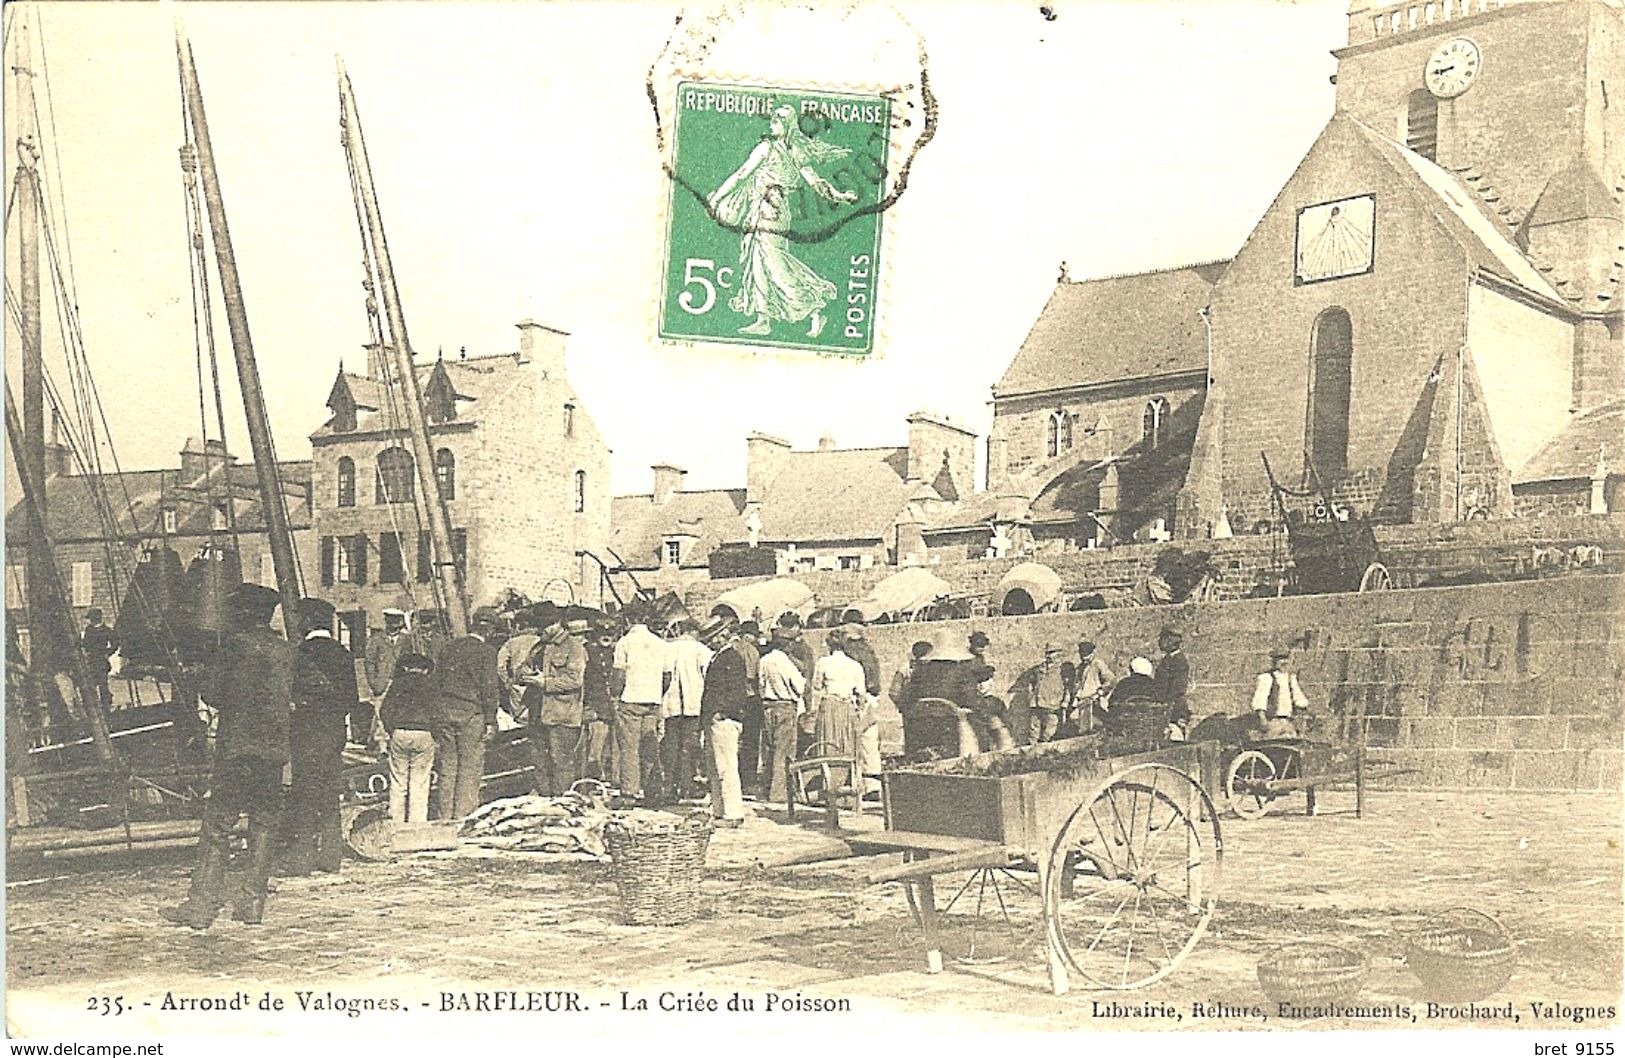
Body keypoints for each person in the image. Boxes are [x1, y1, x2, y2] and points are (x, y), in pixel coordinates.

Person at [162, 585, 292, 929]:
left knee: (217, 827)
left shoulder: (234, 647)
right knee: (263, 826)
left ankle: (201, 909)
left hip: (237, 752)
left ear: (245, 614)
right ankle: (251, 906)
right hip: (274, 753)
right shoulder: (285, 650)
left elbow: (213, 693)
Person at [706, 104, 860, 339]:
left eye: (778, 120)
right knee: (759, 263)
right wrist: (838, 196)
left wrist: (716, 197)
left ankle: (815, 308)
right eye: (773, 119)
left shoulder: (768, 149)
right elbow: (814, 181)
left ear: (788, 125)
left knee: (776, 267)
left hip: (770, 214)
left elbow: (742, 175)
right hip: (769, 212)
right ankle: (763, 319)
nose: (773, 123)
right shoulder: (790, 151)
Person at [281, 598, 358, 877]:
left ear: (309, 621)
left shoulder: (302, 653)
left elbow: (293, 695)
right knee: (329, 793)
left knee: (304, 794)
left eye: (301, 619)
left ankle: (300, 859)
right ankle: (331, 857)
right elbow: (352, 699)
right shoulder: (343, 653)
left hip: (308, 732)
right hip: (335, 731)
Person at [432, 607, 501, 820]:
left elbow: (437, 681)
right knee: (469, 770)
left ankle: (445, 818)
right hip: (471, 715)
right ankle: (463, 819)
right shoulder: (487, 652)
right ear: (489, 630)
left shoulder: (448, 648)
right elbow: (489, 688)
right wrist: (491, 720)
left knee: (448, 767)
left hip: (445, 712)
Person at [522, 621, 587, 797]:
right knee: (539, 760)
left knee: (561, 761)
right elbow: (522, 670)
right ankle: (544, 799)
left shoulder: (574, 648)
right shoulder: (539, 646)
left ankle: (562, 801)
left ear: (557, 624)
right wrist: (527, 676)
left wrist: (545, 682)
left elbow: (575, 680)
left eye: (546, 624)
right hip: (537, 711)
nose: (540, 628)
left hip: (561, 713)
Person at [612, 611, 668, 803]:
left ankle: (629, 792)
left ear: (628, 620)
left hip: (631, 700)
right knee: (650, 746)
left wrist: (615, 695)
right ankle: (653, 790)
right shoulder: (661, 644)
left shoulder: (624, 643)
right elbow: (667, 676)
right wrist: (657, 693)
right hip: (653, 701)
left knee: (629, 748)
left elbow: (619, 675)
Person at [699, 616, 749, 827]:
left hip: (724, 720)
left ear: (722, 635)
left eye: (713, 638)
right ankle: (720, 810)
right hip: (715, 719)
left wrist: (723, 712)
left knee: (726, 767)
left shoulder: (732, 658)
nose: (711, 642)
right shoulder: (720, 657)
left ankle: (733, 813)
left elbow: (738, 692)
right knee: (715, 767)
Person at [659, 619, 712, 804]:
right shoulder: (701, 650)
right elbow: (709, 677)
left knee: (671, 745)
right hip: (694, 705)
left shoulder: (667, 648)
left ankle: (670, 786)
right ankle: (687, 785)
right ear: (693, 631)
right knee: (690, 746)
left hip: (671, 704)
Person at [380, 652, 437, 823]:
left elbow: (385, 711)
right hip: (424, 733)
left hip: (400, 732)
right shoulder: (431, 684)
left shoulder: (398, 684)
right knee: (419, 783)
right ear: (425, 669)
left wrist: (392, 730)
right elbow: (439, 712)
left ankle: (395, 824)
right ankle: (416, 825)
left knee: (398, 782)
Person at [757, 633, 807, 804]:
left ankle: (765, 789)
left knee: (769, 750)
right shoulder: (786, 662)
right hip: (785, 706)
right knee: (784, 751)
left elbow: (761, 684)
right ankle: (780, 793)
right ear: (787, 646)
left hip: (767, 706)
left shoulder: (764, 660)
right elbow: (800, 687)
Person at [810, 631, 868, 761]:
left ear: (829, 645)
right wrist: (859, 712)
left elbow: (817, 685)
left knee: (828, 739)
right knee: (847, 740)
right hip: (847, 706)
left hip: (830, 705)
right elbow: (861, 693)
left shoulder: (823, 662)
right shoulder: (855, 665)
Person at [363, 608, 411, 744]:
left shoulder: (407, 640)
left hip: (400, 682)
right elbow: (369, 662)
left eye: (396, 621)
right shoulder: (377, 639)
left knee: (399, 712)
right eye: (390, 620)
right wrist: (374, 682)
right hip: (382, 683)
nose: (393, 624)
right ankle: (382, 745)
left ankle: (393, 742)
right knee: (380, 713)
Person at [580, 620, 616, 781]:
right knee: (596, 745)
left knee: (613, 746)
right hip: (596, 705)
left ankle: (610, 777)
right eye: (603, 633)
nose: (606, 637)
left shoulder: (616, 652)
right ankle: (594, 776)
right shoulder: (588, 651)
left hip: (613, 705)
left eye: (610, 634)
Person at [732, 621, 763, 796]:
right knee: (750, 742)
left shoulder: (731, 647)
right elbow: (752, 675)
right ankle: (747, 781)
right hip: (750, 699)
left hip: (733, 699)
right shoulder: (750, 650)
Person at [1250, 647, 1310, 738]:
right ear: (1274, 662)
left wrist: (1303, 711)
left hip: (1289, 721)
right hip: (1273, 721)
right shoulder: (1267, 678)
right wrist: (1263, 719)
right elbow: (1260, 700)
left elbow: (1299, 698)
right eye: (1280, 660)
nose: (1284, 662)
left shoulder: (1290, 678)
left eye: (1286, 659)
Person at [1017, 643, 1068, 744]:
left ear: (1058, 654)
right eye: (1047, 653)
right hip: (1037, 703)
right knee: (1033, 729)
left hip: (1052, 704)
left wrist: (1065, 702)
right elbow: (1031, 684)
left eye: (1052, 653)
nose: (1049, 656)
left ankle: (1045, 751)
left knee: (1049, 730)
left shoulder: (1063, 670)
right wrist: (1031, 697)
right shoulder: (1038, 669)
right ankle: (1032, 753)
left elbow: (1068, 688)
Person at [1064, 640, 1115, 735]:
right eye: (1082, 656)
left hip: (1094, 700)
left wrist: (1100, 692)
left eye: (1086, 656)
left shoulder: (1098, 664)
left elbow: (1111, 680)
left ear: (1093, 653)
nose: (1084, 658)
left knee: (1092, 723)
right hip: (1082, 701)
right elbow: (1078, 684)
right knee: (1075, 719)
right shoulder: (1080, 668)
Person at [1153, 628, 1192, 735]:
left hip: (1174, 710)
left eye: (1162, 639)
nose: (1159, 642)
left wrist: (1166, 708)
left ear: (1170, 641)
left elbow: (1177, 690)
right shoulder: (1167, 659)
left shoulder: (1179, 661)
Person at [80, 608, 117, 712]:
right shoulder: (89, 629)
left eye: (92, 619)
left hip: (101, 659)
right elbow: (86, 643)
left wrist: (108, 653)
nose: (91, 621)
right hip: (91, 659)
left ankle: (105, 704)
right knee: (91, 681)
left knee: (102, 683)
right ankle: (92, 704)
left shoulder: (107, 630)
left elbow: (115, 643)